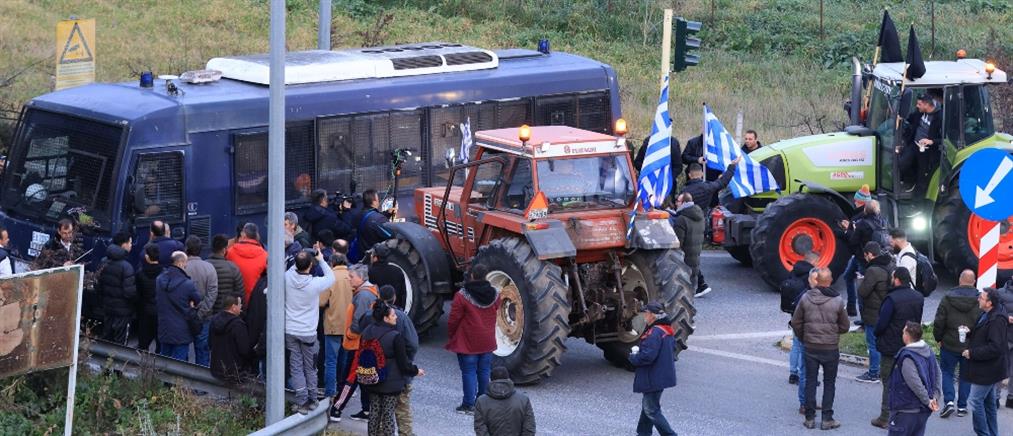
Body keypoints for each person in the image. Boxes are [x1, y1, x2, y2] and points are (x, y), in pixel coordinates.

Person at [790, 267, 849, 430]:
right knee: (829, 383)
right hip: (830, 348)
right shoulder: (837, 300)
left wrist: (804, 336)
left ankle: (809, 418)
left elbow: (796, 322)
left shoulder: (806, 298)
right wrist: (833, 332)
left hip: (810, 347)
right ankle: (827, 418)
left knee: (810, 380)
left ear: (817, 281)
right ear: (829, 281)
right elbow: (845, 326)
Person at [872, 267, 925, 429]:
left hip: (891, 346)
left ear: (896, 280)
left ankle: (885, 416)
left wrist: (876, 334)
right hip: (910, 345)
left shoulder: (891, 299)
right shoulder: (918, 297)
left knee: (889, 381)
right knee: (907, 381)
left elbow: (882, 323)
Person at [285, 246, 336, 414]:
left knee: (296, 366)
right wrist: (320, 258)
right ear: (310, 266)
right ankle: (313, 399)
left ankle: (301, 401)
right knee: (311, 366)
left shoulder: (287, 278)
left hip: (291, 330)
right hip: (308, 333)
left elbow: (295, 267)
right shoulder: (315, 284)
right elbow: (331, 276)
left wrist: (300, 258)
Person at [360, 302, 424, 436]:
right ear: (386, 318)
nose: (396, 317)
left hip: (371, 378)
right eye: (393, 315)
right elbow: (403, 364)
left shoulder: (367, 332)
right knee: (388, 414)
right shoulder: (395, 336)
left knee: (374, 412)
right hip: (391, 382)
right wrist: (416, 371)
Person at [446, 264, 500, 415]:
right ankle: (482, 403)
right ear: (486, 276)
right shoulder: (495, 294)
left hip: (468, 341)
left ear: (472, 276)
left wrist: (452, 335)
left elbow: (453, 319)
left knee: (468, 371)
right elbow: (496, 308)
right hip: (487, 339)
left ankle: (468, 405)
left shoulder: (462, 295)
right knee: (484, 371)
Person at [333, 263, 378, 422]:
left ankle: (336, 409)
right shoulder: (368, 292)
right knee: (364, 377)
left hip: (358, 344)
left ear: (361, 277)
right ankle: (366, 411)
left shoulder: (363, 296)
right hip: (366, 343)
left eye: (351, 277)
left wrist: (350, 334)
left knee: (350, 378)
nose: (349, 280)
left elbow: (358, 321)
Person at [932, 269, 981, 418]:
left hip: (949, 342)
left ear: (960, 280)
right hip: (970, 345)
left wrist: (938, 338)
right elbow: (982, 323)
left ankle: (949, 402)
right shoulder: (980, 300)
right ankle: (962, 407)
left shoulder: (947, 297)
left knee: (947, 372)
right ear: (973, 282)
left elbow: (939, 321)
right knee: (966, 376)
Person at [963, 287, 1008, 436]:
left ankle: (983, 433)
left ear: (989, 303)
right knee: (988, 405)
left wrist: (972, 353)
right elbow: (984, 335)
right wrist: (970, 333)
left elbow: (995, 347)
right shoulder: (987, 314)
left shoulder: (996, 320)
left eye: (981, 298)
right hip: (989, 369)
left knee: (975, 401)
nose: (978, 299)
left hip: (988, 370)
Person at [631, 301, 678, 436]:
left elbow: (647, 356)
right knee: (649, 406)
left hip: (653, 377)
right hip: (661, 375)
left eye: (646, 313)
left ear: (652, 315)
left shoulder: (654, 333)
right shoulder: (666, 330)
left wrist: (633, 357)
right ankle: (643, 432)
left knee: (651, 409)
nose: (644, 315)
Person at [887, 321, 942, 436]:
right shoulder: (929, 351)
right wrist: (935, 397)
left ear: (907, 336)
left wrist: (927, 401)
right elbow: (938, 374)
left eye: (903, 332)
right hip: (923, 412)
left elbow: (915, 383)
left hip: (907, 410)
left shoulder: (907, 357)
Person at [378, 284, 419, 435]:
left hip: (379, 370)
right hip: (400, 371)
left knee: (381, 407)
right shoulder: (401, 317)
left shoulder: (373, 314)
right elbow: (413, 344)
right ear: (394, 297)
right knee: (402, 406)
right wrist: (407, 360)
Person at [837, 192, 886, 316]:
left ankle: (864, 318)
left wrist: (848, 230)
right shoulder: (882, 221)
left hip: (862, 258)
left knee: (864, 289)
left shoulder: (862, 224)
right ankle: (851, 308)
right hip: (872, 256)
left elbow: (853, 240)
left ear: (865, 209)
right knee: (848, 276)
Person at [319, 253, 353, 419]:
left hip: (333, 324)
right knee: (344, 361)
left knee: (330, 361)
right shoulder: (352, 276)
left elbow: (321, 301)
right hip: (348, 327)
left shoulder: (330, 277)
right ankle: (341, 388)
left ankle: (330, 392)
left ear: (332, 263)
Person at [856, 241, 894, 383]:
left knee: (873, 344)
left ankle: (873, 373)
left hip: (873, 313)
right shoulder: (889, 264)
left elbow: (863, 291)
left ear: (870, 255)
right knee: (885, 343)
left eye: (865, 255)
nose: (865, 258)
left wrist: (860, 281)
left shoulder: (872, 270)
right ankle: (886, 371)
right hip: (887, 310)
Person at [155, 251, 201, 361]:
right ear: (180, 263)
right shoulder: (187, 284)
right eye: (185, 263)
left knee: (164, 364)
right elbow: (197, 299)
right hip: (181, 332)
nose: (186, 266)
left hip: (164, 329)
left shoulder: (159, 280)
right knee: (179, 367)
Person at [784, 252, 819, 390]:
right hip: (805, 313)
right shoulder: (809, 275)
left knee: (795, 344)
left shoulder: (794, 270)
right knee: (804, 346)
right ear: (813, 261)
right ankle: (801, 374)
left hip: (794, 312)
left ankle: (793, 373)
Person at [96, 231, 137, 345]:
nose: (131, 245)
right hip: (123, 311)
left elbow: (98, 285)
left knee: (106, 338)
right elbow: (130, 293)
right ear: (123, 245)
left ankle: (104, 362)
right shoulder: (126, 267)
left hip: (107, 308)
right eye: (130, 243)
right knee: (120, 343)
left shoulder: (103, 261)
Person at [184, 236, 218, 367]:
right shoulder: (209, 268)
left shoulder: (182, 267)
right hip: (204, 317)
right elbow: (212, 294)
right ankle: (201, 385)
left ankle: (181, 384)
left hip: (185, 316)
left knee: (183, 352)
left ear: (186, 249)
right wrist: (201, 312)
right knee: (203, 352)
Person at [899, 94, 942, 196]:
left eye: (919, 104)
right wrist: (900, 118)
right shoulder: (920, 112)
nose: (917, 106)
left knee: (922, 176)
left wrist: (931, 141)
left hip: (927, 150)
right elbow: (911, 119)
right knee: (902, 163)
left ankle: (918, 201)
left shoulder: (940, 117)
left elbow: (945, 138)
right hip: (914, 144)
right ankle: (910, 181)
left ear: (927, 105)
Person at [474, 366, 536, 436]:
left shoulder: (481, 401)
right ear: (508, 379)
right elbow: (529, 428)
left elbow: (480, 429)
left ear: (491, 379)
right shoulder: (524, 400)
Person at [209, 295, 255, 385]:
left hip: (216, 370)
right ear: (233, 307)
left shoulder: (214, 320)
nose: (241, 306)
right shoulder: (238, 325)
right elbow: (244, 350)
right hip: (235, 372)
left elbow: (210, 343)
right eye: (240, 304)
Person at [669, 192, 707, 297]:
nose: (676, 203)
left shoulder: (681, 219)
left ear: (684, 203)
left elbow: (677, 243)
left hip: (684, 255)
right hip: (696, 253)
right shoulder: (700, 216)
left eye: (678, 201)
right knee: (693, 273)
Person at [227, 223, 268, 304]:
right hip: (256, 302)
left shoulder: (230, 252)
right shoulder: (265, 255)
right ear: (256, 235)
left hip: (236, 302)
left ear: (243, 234)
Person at [134, 243, 162, 352]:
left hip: (145, 310)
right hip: (160, 311)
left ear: (146, 257)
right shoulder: (164, 273)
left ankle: (143, 365)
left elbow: (137, 294)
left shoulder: (140, 274)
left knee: (143, 343)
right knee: (159, 343)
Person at [206, 234, 244, 314]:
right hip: (227, 314)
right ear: (224, 250)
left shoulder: (204, 266)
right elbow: (240, 293)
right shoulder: (233, 268)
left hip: (208, 314)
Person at [998, 280, 1013, 409]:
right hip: (1005, 335)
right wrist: (1006, 317)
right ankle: (997, 397)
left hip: (1006, 335)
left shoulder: (1001, 293)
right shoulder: (1000, 293)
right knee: (1000, 366)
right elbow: (995, 311)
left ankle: (1009, 397)